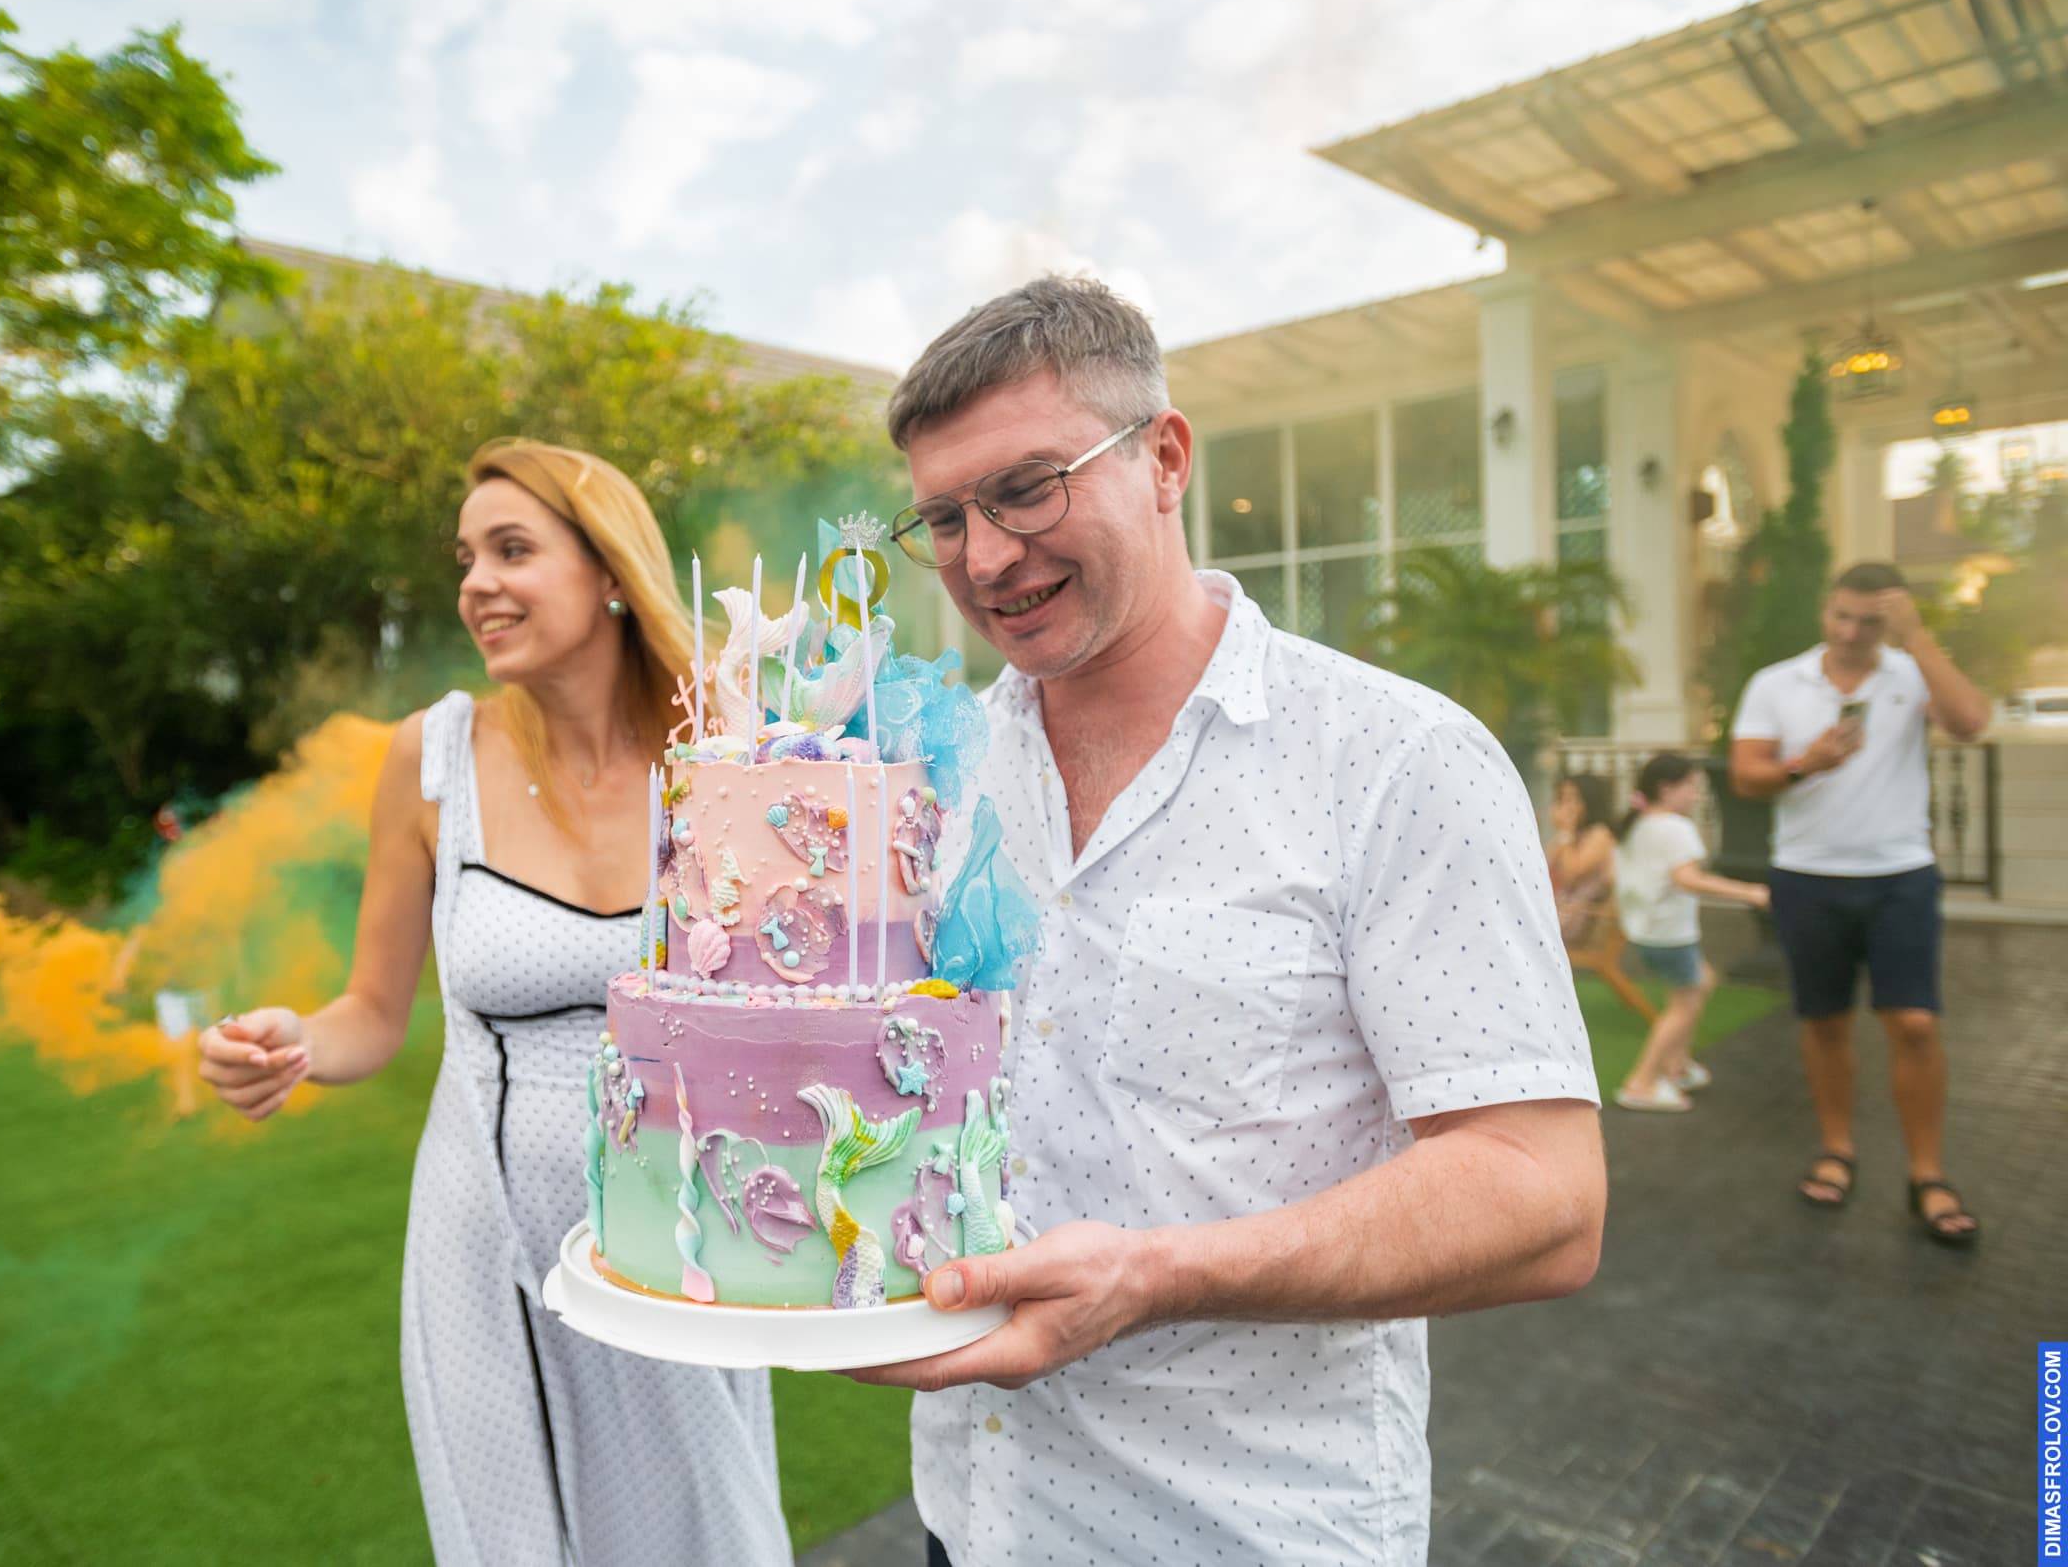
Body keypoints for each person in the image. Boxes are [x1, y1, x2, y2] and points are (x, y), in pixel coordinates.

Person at [848, 277, 1605, 1566]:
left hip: (1247, 1529)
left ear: (1164, 458)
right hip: (973, 1518)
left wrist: (1156, 1274)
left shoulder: (1393, 758)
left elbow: (1544, 1194)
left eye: (1027, 489)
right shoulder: (941, 775)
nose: (984, 558)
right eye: (947, 517)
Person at [196, 439, 792, 1566]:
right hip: (486, 1245)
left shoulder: (726, 744)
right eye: (466, 557)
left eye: (512, 549)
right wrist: (292, 1041)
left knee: (708, 1534)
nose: (477, 583)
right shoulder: (430, 757)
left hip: (679, 1235)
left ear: (608, 569)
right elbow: (371, 1014)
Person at [1729, 562, 1991, 1245]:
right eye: (1841, 616)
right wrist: (1805, 763)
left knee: (1915, 1025)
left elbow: (1970, 722)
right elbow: (1745, 776)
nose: (1850, 632)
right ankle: (1837, 1148)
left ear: (1892, 620)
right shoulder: (1778, 683)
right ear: (1826, 608)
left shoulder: (1912, 672)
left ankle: (1927, 1173)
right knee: (1825, 1022)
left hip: (1899, 874)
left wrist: (1919, 639)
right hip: (1807, 876)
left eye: (1869, 621)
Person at [1609, 752, 1770, 1113]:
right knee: (1683, 1005)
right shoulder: (1675, 828)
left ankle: (1677, 1065)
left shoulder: (1639, 823)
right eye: (1691, 787)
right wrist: (1750, 892)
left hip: (1647, 932)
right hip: (1670, 935)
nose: (1696, 796)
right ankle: (1641, 1083)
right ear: (1667, 789)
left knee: (1702, 980)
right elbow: (1688, 879)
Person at [1545, 772, 1617, 949]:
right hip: (1565, 913)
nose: (1566, 806)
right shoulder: (1571, 836)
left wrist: (1565, 832)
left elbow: (1571, 874)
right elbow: (1545, 867)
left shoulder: (1600, 834)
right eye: (1562, 799)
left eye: (1572, 799)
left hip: (1583, 919)